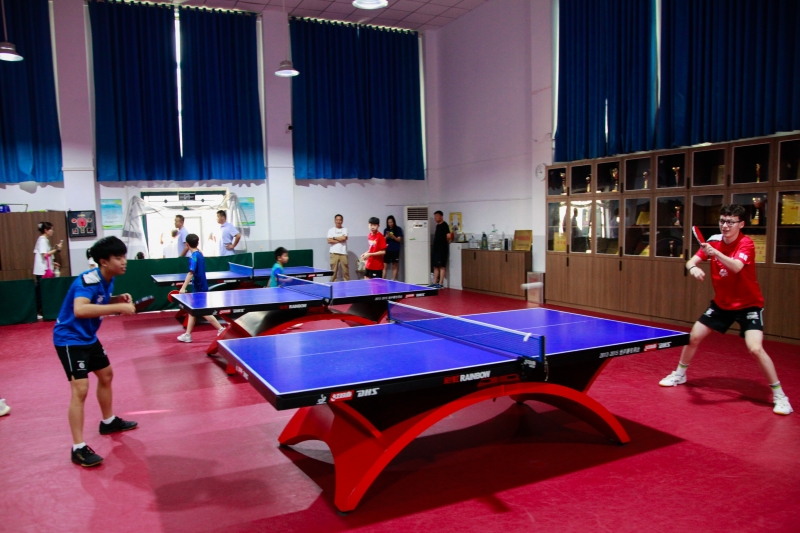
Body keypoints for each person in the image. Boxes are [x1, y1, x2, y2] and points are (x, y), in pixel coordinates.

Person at [659, 205, 792, 416]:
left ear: (741, 224)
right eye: (722, 221)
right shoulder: (713, 240)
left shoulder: (746, 243)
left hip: (749, 305)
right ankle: (680, 374)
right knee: (693, 338)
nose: (725, 226)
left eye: (731, 222)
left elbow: (736, 267)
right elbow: (691, 261)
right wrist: (693, 268)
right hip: (722, 304)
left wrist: (716, 253)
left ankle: (779, 396)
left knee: (755, 349)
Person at [53, 237, 138, 467]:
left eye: (124, 256)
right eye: (118, 258)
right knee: (80, 389)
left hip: (88, 337)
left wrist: (116, 299)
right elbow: (80, 309)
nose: (124, 261)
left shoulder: (108, 278)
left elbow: (98, 300)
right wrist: (118, 307)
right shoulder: (87, 280)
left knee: (106, 375)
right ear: (103, 261)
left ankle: (108, 422)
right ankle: (78, 448)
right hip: (70, 339)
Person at [177, 234, 225, 343]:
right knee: (192, 311)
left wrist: (183, 288)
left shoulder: (193, 256)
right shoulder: (200, 254)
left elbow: (191, 273)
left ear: (187, 244)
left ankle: (221, 329)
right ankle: (188, 335)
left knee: (203, 312)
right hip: (201, 286)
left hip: (199, 288)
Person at [33, 221, 62, 315]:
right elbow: (45, 255)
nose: (52, 231)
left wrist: (53, 263)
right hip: (42, 271)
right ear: (46, 230)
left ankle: (41, 311)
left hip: (44, 270)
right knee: (40, 292)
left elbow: (46, 256)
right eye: (51, 229)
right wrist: (56, 249)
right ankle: (38, 311)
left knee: (43, 291)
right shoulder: (42, 240)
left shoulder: (45, 240)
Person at [431, 210, 451, 288]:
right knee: (435, 266)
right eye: (435, 217)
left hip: (442, 249)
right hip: (435, 249)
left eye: (437, 216)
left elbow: (448, 236)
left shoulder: (445, 225)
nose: (435, 218)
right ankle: (435, 282)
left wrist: (444, 243)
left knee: (441, 266)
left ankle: (441, 283)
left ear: (441, 216)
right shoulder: (437, 226)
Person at [327, 214, 350, 281]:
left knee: (345, 271)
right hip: (334, 253)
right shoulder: (331, 230)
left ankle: (348, 284)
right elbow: (329, 240)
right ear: (335, 221)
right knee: (333, 272)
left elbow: (344, 238)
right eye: (337, 220)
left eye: (340, 220)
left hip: (343, 253)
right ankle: (333, 285)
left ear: (342, 221)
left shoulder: (345, 229)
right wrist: (340, 239)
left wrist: (334, 238)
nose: (338, 221)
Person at [383, 215, 403, 281]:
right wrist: (386, 237)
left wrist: (392, 236)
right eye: (389, 222)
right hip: (387, 250)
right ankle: (382, 280)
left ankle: (393, 280)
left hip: (395, 250)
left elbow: (399, 240)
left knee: (395, 265)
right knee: (385, 266)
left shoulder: (398, 229)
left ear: (394, 222)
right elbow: (383, 241)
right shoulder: (386, 230)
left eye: (391, 222)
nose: (390, 224)